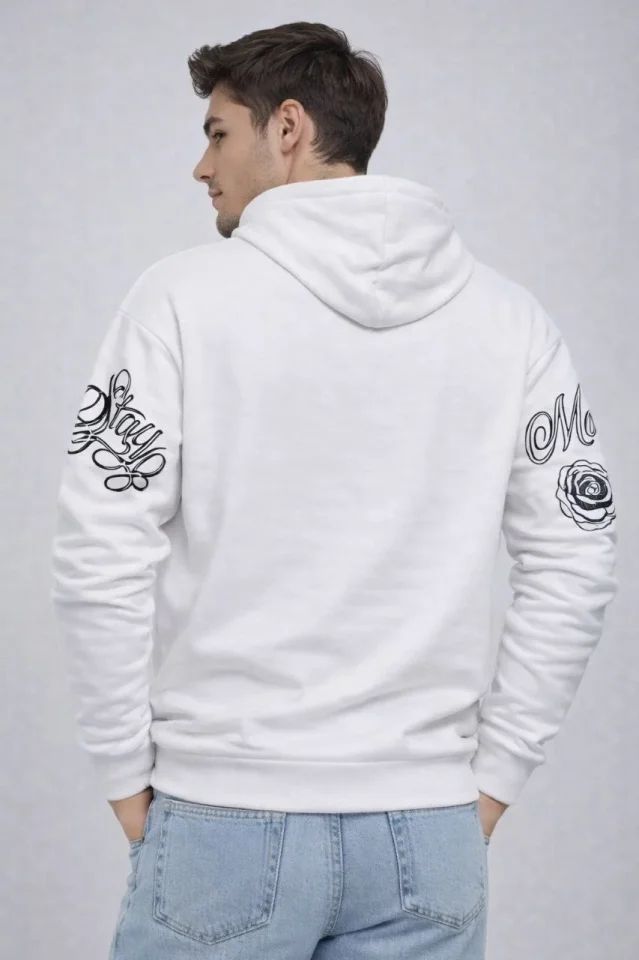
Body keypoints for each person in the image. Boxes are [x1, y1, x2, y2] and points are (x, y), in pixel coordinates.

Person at [49, 20, 618, 960]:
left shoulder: (178, 300)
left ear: (287, 127)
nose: (201, 167)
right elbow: (577, 555)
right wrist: (491, 781)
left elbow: (98, 545)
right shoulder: (510, 321)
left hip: (224, 813)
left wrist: (123, 776)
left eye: (217, 133)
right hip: (428, 828)